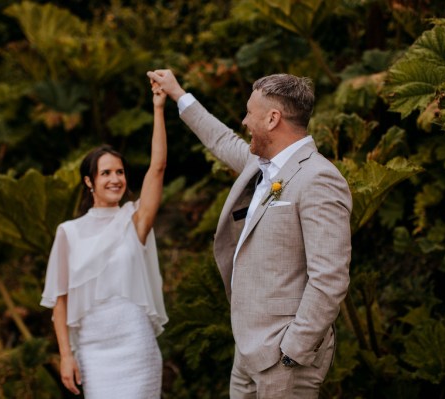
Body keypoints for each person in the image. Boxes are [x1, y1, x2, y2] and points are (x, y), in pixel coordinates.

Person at [147, 69, 352, 399]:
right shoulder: (261, 165)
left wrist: (293, 349)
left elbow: (329, 278)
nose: (244, 121)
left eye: (249, 113)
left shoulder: (318, 178)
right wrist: (177, 93)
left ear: (272, 119)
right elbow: (222, 139)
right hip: (247, 350)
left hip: (284, 358)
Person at [40, 80, 169, 398]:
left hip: (136, 346)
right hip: (93, 351)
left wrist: (158, 109)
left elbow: (157, 167)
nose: (115, 179)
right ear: (89, 181)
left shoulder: (134, 221)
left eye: (120, 172)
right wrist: (66, 355)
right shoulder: (68, 232)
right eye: (106, 173)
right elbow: (60, 301)